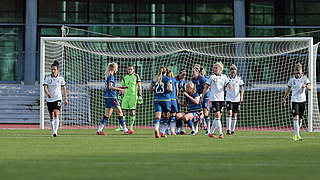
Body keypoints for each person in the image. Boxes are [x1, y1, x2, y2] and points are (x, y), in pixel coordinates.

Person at [96, 63, 134, 135]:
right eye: (116, 68)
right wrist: (120, 89)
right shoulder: (111, 76)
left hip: (107, 97)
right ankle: (125, 130)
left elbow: (111, 86)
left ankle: (99, 130)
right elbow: (110, 87)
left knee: (107, 115)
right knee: (120, 113)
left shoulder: (108, 76)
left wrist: (122, 87)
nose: (117, 69)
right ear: (113, 69)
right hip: (112, 97)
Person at [201, 62, 233, 138]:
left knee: (217, 117)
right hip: (214, 99)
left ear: (221, 69)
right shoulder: (212, 77)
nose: (215, 69)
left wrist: (230, 87)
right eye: (214, 68)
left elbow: (227, 84)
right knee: (217, 115)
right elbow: (206, 87)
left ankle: (211, 132)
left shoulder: (224, 77)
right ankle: (221, 133)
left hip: (221, 99)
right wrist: (202, 96)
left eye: (216, 68)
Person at [283, 63, 311, 141]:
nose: (298, 73)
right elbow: (288, 90)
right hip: (294, 100)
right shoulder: (291, 80)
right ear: (294, 71)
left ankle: (295, 133)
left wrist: (306, 86)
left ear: (301, 71)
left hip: (302, 101)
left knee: (300, 119)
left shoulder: (305, 79)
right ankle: (298, 135)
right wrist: (284, 98)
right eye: (296, 72)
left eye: (299, 72)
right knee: (296, 117)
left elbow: (310, 87)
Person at [43, 60, 68, 137]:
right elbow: (45, 87)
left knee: (56, 113)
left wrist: (66, 98)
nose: (53, 71)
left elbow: (64, 88)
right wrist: (47, 93)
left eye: (55, 69)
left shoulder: (60, 79)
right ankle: (53, 130)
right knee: (51, 115)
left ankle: (55, 132)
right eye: (52, 69)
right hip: (50, 99)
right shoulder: (47, 78)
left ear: (57, 70)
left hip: (58, 98)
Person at [115, 65, 142, 131]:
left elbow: (139, 86)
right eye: (129, 69)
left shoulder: (136, 76)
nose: (130, 70)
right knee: (122, 111)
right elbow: (122, 87)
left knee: (132, 112)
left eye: (131, 69)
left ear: (133, 70)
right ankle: (122, 126)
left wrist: (140, 96)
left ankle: (131, 127)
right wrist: (119, 95)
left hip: (133, 96)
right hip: (125, 96)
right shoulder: (125, 77)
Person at [149, 66, 172, 138]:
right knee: (166, 116)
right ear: (166, 71)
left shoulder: (156, 78)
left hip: (157, 99)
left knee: (158, 116)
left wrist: (156, 90)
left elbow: (150, 88)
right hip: (165, 99)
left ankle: (156, 130)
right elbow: (170, 89)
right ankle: (162, 132)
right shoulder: (167, 79)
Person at [225, 64, 244, 135]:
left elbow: (242, 88)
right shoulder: (226, 78)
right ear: (230, 71)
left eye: (234, 69)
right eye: (232, 69)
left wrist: (241, 96)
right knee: (229, 112)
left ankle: (232, 130)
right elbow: (224, 87)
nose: (233, 71)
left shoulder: (239, 78)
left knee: (234, 114)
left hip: (236, 99)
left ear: (236, 71)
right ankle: (228, 130)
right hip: (229, 98)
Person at [192, 64, 210, 135]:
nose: (192, 73)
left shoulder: (202, 78)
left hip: (205, 97)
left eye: (193, 72)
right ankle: (196, 130)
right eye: (192, 72)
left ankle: (208, 130)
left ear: (197, 72)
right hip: (199, 96)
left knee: (205, 113)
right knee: (197, 112)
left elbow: (207, 88)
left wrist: (202, 95)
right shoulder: (193, 79)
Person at [167, 69, 179, 135]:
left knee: (166, 114)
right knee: (173, 114)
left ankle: (166, 129)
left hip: (167, 99)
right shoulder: (174, 80)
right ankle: (172, 130)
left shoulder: (167, 80)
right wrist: (176, 96)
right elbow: (177, 89)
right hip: (173, 99)